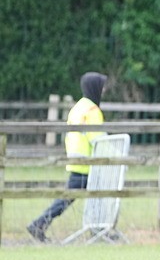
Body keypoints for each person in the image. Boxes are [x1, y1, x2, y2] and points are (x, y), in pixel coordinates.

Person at [27, 72, 107, 243]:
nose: (104, 90)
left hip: (75, 160)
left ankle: (98, 230)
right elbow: (97, 139)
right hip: (89, 163)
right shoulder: (92, 110)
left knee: (76, 198)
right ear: (95, 88)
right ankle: (39, 223)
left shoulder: (77, 107)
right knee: (91, 196)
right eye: (102, 86)